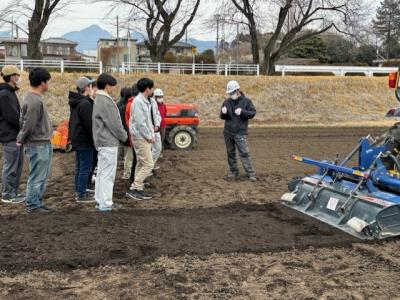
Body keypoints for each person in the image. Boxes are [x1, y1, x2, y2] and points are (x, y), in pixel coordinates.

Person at [17, 68, 54, 213]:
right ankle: (33, 205)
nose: (49, 83)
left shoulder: (33, 97)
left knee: (41, 176)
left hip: (42, 143)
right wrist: (21, 138)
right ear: (42, 82)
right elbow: (28, 123)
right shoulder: (33, 100)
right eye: (48, 81)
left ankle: (37, 202)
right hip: (38, 144)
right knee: (37, 176)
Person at [92, 73, 127, 212]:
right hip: (108, 142)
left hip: (101, 141)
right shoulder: (105, 100)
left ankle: (100, 200)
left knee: (101, 173)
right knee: (107, 174)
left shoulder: (98, 98)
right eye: (113, 86)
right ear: (107, 86)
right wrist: (124, 136)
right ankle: (106, 203)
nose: (114, 89)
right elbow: (114, 124)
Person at [220, 80, 257, 182]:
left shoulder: (247, 102)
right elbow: (222, 116)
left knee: (244, 153)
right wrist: (224, 113)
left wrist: (243, 112)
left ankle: (251, 174)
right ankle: (234, 172)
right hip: (228, 132)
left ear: (237, 91)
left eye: (232, 93)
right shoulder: (226, 102)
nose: (231, 95)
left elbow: (253, 113)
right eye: (229, 93)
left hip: (240, 132)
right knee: (230, 153)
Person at [68, 76, 96, 202]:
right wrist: (95, 140)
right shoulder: (85, 104)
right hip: (85, 140)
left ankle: (79, 190)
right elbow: (89, 125)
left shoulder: (76, 102)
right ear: (86, 88)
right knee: (85, 167)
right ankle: (81, 194)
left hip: (77, 139)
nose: (92, 88)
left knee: (80, 167)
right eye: (91, 86)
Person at [127, 78, 155, 200]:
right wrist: (149, 137)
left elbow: (147, 121)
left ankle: (137, 187)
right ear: (147, 89)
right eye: (152, 88)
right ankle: (135, 187)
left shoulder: (144, 101)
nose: (152, 90)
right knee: (149, 164)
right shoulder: (138, 102)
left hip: (143, 137)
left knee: (141, 162)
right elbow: (140, 123)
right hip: (141, 137)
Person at [0, 65, 25, 204]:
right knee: (11, 166)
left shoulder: (10, 92)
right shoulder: (4, 94)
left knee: (17, 165)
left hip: (15, 135)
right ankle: (8, 194)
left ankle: (13, 191)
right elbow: (11, 117)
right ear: (11, 76)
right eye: (16, 74)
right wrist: (23, 126)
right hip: (10, 135)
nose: (18, 77)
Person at [125, 84, 139, 185]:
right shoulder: (133, 104)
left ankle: (133, 179)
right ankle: (133, 180)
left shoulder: (131, 104)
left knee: (135, 159)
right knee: (135, 159)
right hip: (135, 136)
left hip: (133, 135)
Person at [117, 87, 133, 180]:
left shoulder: (120, 105)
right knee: (128, 156)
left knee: (126, 154)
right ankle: (127, 174)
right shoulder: (125, 106)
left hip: (124, 133)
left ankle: (125, 170)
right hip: (127, 133)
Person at [154, 88, 167, 158]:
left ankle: (160, 153)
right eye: (159, 97)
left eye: (161, 97)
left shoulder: (163, 106)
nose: (161, 98)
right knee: (155, 141)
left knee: (162, 139)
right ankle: (155, 153)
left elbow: (164, 114)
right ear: (155, 97)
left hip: (162, 125)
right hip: (155, 126)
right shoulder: (153, 105)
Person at [150, 91, 162, 168]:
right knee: (148, 150)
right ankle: (148, 167)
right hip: (147, 130)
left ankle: (151, 164)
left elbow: (157, 114)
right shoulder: (139, 102)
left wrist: (157, 125)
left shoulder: (153, 102)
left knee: (158, 148)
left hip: (155, 129)